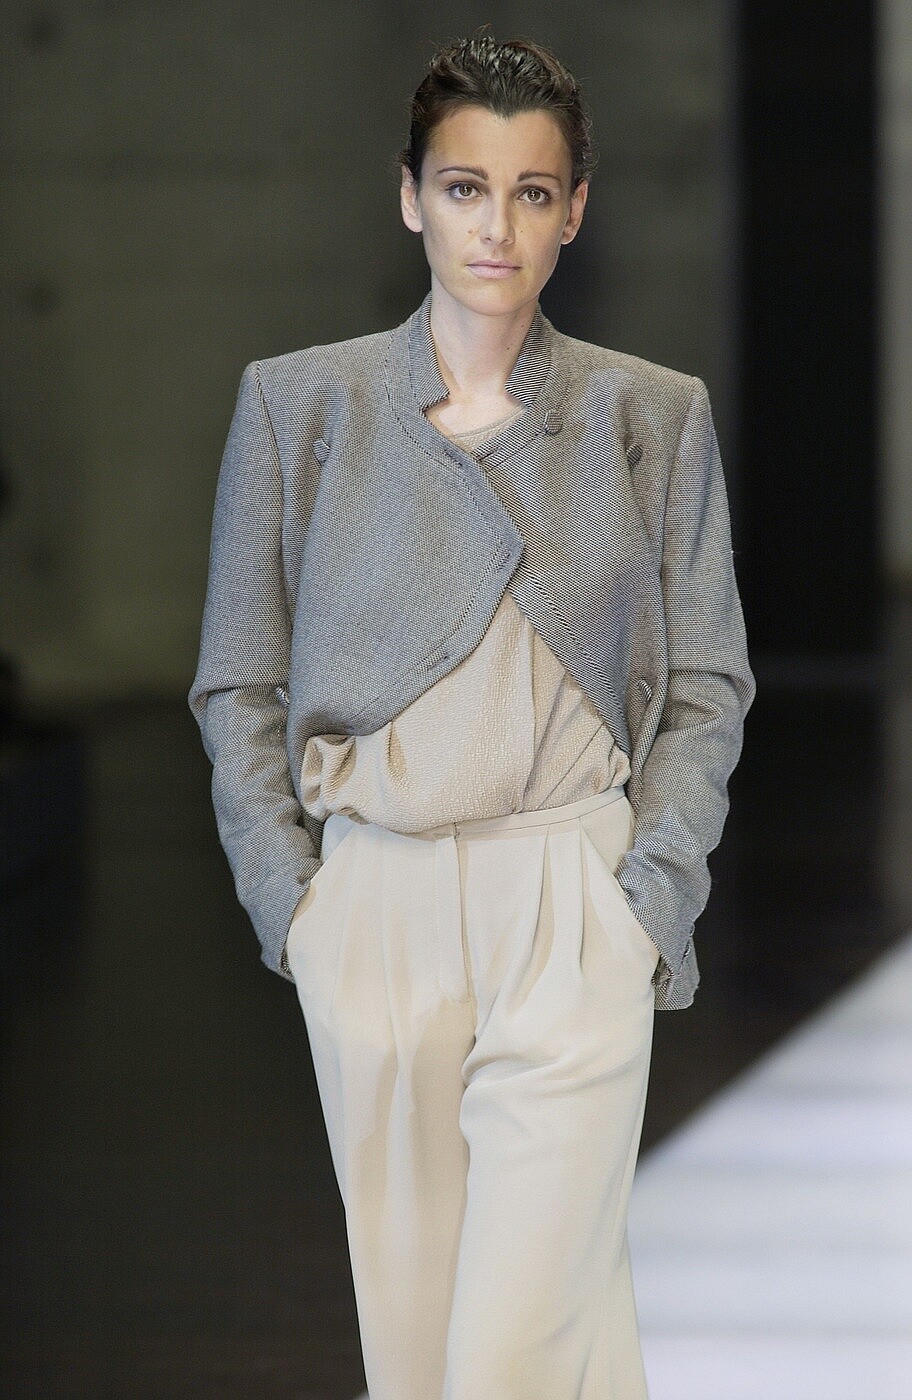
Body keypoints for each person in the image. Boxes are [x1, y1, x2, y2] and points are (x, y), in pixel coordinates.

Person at [189, 33, 755, 1400]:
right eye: (463, 188)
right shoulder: (302, 406)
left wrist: (646, 902)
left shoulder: (648, 416)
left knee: (505, 1356)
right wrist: (296, 905)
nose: (495, 226)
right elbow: (238, 682)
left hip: (571, 901)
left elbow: (705, 684)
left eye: (532, 192)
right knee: (419, 1351)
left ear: (575, 211)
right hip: (372, 910)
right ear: (409, 198)